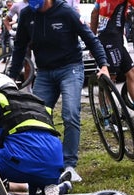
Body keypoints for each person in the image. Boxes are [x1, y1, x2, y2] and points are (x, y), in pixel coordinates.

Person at [8, 0, 111, 184]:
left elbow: (90, 38)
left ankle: (69, 164)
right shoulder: (27, 15)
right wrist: (10, 78)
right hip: (45, 72)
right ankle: (43, 161)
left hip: (70, 68)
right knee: (36, 118)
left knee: (70, 114)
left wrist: (103, 65)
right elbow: (19, 48)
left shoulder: (66, 12)